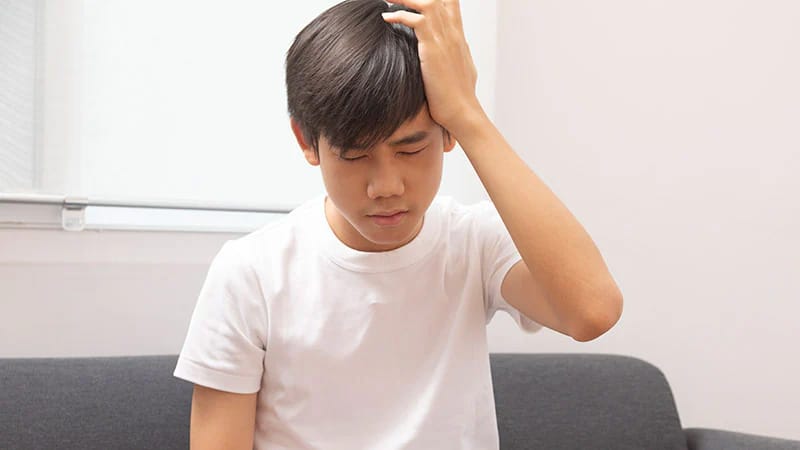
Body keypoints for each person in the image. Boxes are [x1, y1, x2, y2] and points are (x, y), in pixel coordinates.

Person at [173, 0, 623, 448]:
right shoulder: (251, 272)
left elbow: (593, 312)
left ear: (446, 134)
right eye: (355, 155)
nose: (386, 186)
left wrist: (467, 112)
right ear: (306, 141)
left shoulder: (474, 243)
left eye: (410, 150)